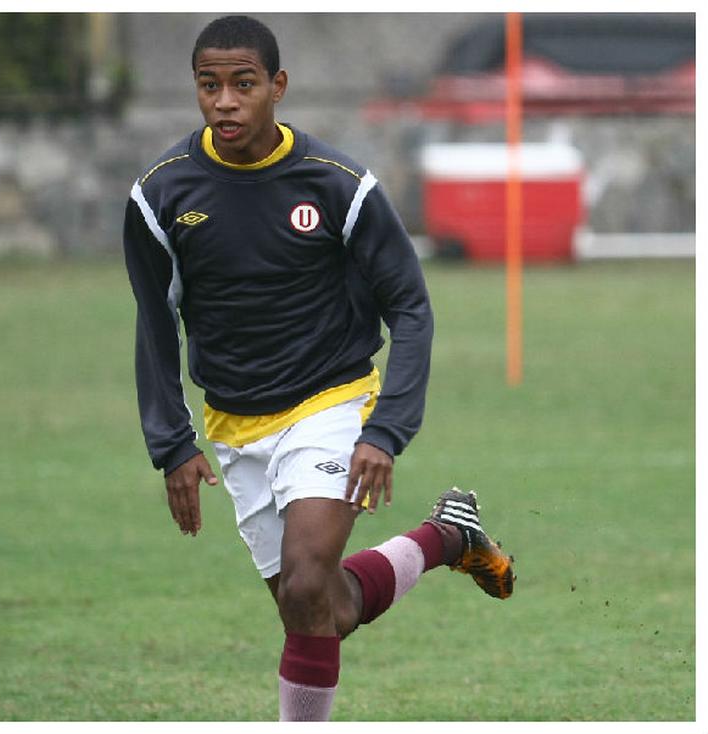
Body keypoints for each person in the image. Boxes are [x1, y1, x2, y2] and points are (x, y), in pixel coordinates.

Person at [123, 15, 515, 721]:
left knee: (306, 587)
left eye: (243, 85)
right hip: (232, 421)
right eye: (209, 86)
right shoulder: (159, 197)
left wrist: (385, 430)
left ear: (277, 86)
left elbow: (411, 309)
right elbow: (154, 325)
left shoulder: (340, 187)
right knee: (321, 610)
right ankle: (447, 537)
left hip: (332, 402)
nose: (225, 102)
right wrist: (172, 443)